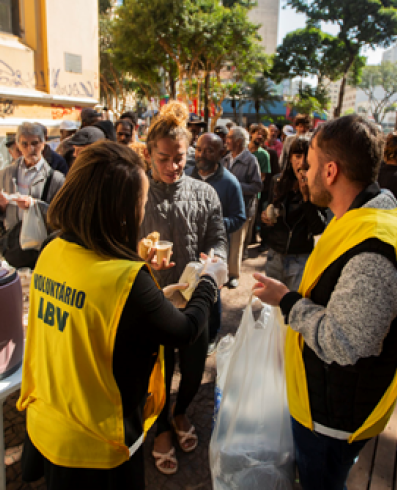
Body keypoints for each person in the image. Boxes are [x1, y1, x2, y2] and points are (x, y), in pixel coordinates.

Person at [17, 141, 226, 490]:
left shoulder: (53, 250)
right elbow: (185, 329)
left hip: (48, 421)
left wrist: (135, 259)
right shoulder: (125, 280)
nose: (143, 210)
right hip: (98, 445)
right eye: (140, 202)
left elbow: (95, 311)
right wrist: (208, 281)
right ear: (120, 210)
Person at [252, 115, 397, 490]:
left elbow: (346, 342)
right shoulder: (367, 216)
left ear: (331, 171)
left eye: (310, 165)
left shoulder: (373, 248)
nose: (304, 173)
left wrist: (285, 300)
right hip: (330, 400)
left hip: (332, 415)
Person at [139, 102, 228, 475]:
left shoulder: (205, 193)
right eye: (164, 158)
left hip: (195, 302)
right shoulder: (136, 193)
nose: (173, 166)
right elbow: (118, 245)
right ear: (148, 154)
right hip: (150, 302)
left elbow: (219, 239)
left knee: (193, 371)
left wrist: (213, 260)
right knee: (155, 372)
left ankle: (179, 414)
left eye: (180, 158)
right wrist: (140, 256)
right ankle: (159, 428)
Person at [186, 133, 246, 352]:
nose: (202, 154)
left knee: (212, 292)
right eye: (199, 149)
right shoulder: (186, 175)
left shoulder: (230, 183)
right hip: (188, 247)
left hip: (213, 251)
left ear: (222, 153)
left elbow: (239, 217)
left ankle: (211, 337)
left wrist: (215, 224)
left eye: (209, 150)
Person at [0, 122, 66, 269]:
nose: (30, 149)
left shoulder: (55, 178)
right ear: (17, 145)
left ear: (43, 143)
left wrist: (34, 206)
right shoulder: (6, 174)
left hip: (40, 249)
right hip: (12, 245)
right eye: (24, 144)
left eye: (35, 143)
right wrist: (1, 206)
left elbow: (60, 216)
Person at [260, 136, 326, 290]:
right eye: (297, 156)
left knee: (294, 307)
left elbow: (319, 228)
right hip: (275, 255)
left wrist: (306, 198)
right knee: (271, 308)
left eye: (307, 157)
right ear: (290, 159)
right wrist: (265, 219)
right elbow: (268, 215)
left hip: (300, 258)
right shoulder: (278, 182)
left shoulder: (318, 188)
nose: (302, 163)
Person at [222, 127, 262, 288]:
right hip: (224, 209)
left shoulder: (251, 160)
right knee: (223, 242)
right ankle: (222, 273)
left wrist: (236, 186)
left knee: (236, 244)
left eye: (230, 137)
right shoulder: (225, 159)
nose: (226, 140)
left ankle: (233, 275)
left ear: (238, 141)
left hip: (241, 210)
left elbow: (257, 186)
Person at [248, 124, 272, 246]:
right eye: (257, 133)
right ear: (251, 133)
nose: (260, 136)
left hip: (253, 194)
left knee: (250, 223)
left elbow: (262, 177)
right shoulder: (243, 150)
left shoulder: (264, 155)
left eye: (263, 134)